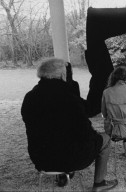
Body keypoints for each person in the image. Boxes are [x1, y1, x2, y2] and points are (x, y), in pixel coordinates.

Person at [21, 58, 118, 191]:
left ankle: (62, 175)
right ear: (62, 75)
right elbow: (85, 130)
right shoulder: (69, 97)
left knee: (53, 136)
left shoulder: (29, 97)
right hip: (71, 158)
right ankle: (99, 183)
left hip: (41, 158)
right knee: (105, 139)